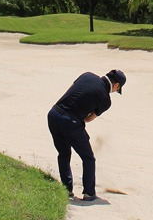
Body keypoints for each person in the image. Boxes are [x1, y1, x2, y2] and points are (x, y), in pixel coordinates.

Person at [47, 69, 126, 202]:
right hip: (71, 121)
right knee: (88, 158)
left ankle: (66, 190)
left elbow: (71, 91)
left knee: (64, 153)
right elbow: (89, 119)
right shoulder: (106, 100)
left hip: (53, 114)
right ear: (116, 85)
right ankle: (89, 193)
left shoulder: (87, 75)